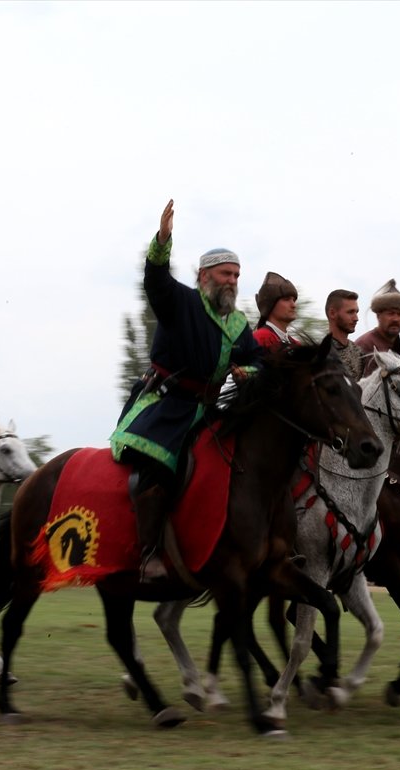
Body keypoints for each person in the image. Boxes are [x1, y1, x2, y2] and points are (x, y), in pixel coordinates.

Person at [111, 199, 262, 582]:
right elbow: (156, 281)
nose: (232, 280)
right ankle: (148, 554)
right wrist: (163, 239)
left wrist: (246, 369)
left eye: (236, 275)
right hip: (165, 404)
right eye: (226, 273)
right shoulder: (179, 301)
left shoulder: (238, 324)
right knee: (160, 464)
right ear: (203, 276)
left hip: (209, 409)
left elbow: (257, 359)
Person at [354, 278, 400, 376]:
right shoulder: (365, 344)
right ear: (379, 316)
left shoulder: (399, 348)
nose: (396, 319)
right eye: (391, 313)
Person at [253, 271, 300, 349]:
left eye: (294, 300)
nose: (293, 305)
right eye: (286, 299)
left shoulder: (297, 345)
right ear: (270, 305)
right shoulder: (257, 340)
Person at [325, 289, 364, 381]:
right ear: (332, 313)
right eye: (350, 312)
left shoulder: (358, 351)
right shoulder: (323, 353)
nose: (356, 318)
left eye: (356, 312)